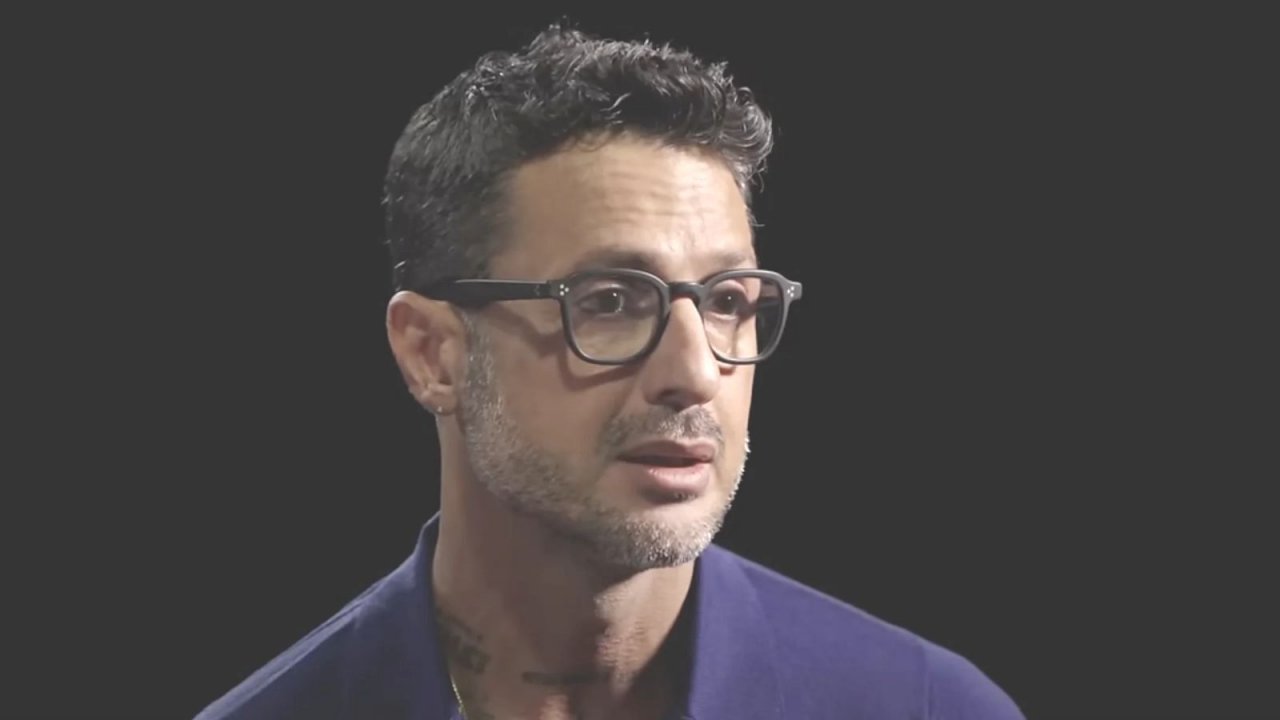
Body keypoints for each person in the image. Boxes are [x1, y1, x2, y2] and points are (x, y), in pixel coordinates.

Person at [195, 22, 1025, 720]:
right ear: (431, 353)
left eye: (727, 300)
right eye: (611, 300)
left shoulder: (927, 707)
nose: (695, 374)